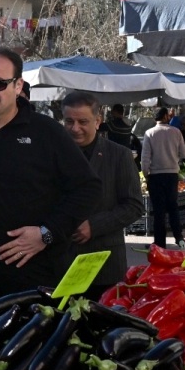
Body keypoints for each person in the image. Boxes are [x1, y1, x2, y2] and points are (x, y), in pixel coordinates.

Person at [0, 46, 100, 299]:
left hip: (38, 277)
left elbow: (87, 188)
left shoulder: (47, 133)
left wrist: (46, 233)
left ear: (18, 86)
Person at [60, 91, 144, 296]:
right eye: (69, 121)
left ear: (98, 121)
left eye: (82, 121)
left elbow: (134, 205)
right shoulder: (52, 153)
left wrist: (94, 226)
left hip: (104, 266)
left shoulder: (119, 155)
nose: (75, 128)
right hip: (59, 266)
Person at [140, 106, 185, 248]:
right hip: (172, 174)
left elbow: (145, 158)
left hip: (155, 176)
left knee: (159, 210)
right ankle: (179, 238)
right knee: (173, 207)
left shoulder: (150, 133)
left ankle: (160, 243)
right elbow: (184, 153)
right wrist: (174, 156)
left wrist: (146, 174)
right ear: (166, 117)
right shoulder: (176, 132)